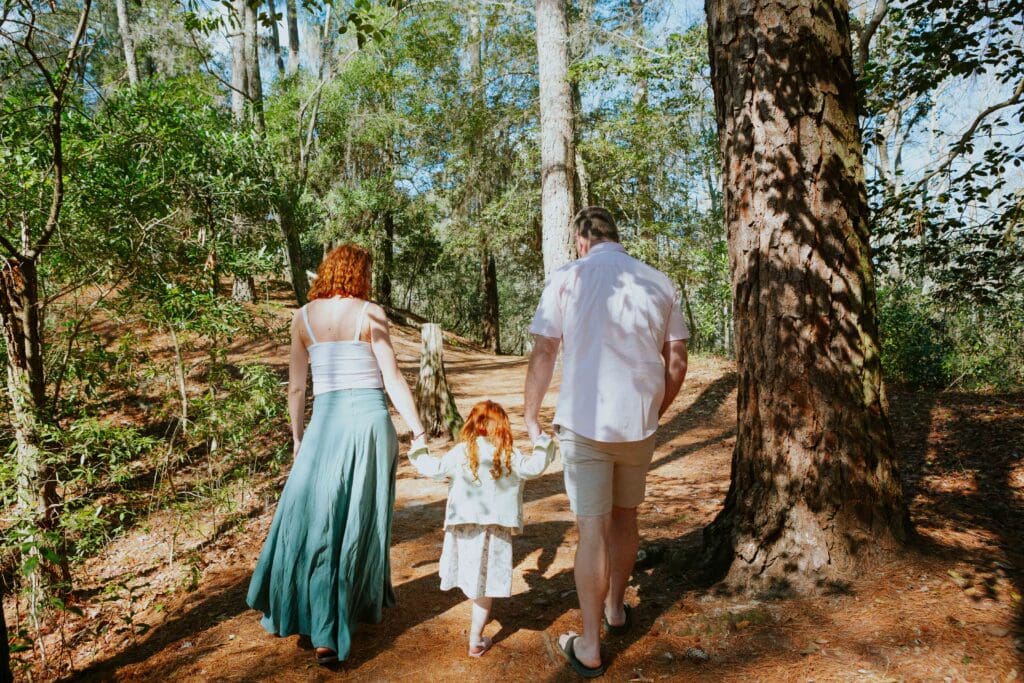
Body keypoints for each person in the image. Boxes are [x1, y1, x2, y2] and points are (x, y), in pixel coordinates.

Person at [523, 207, 689, 678]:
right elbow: (677, 360)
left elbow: (543, 351)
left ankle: (591, 645)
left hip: (582, 422)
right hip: (638, 423)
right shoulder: (658, 281)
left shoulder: (566, 278)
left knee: (592, 529)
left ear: (581, 240)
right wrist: (656, 409)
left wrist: (530, 415)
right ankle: (616, 608)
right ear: (617, 236)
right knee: (626, 517)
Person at [246, 244, 427, 666]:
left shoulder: (302, 318)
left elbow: (296, 388)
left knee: (315, 519)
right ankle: (336, 622)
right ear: (359, 275)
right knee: (358, 521)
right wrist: (418, 431)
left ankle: (311, 615)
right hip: (366, 423)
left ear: (327, 272)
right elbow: (392, 378)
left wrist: (297, 437)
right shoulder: (370, 313)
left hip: (324, 426)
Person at [406, 400, 556, 657]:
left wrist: (419, 448)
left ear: (473, 426)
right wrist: (541, 440)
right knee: (485, 586)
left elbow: (435, 469)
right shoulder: (509, 453)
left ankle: (476, 629)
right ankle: (475, 639)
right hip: (495, 529)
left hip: (464, 526)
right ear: (503, 427)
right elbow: (535, 467)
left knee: (472, 577)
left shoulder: (463, 451)